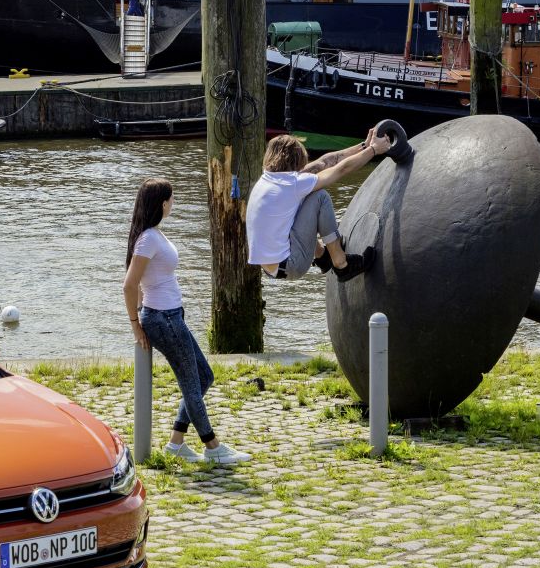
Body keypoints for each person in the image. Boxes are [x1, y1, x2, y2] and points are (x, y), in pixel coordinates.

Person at [122, 178, 250, 465]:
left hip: (171, 316)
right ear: (162, 203)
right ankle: (212, 446)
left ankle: (177, 442)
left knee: (204, 376)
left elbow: (143, 281)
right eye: (171, 198)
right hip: (163, 319)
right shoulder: (148, 239)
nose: (173, 203)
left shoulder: (152, 235)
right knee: (192, 383)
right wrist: (136, 324)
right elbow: (129, 284)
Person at [246, 129, 391, 283]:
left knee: (304, 199)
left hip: (272, 267)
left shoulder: (270, 179)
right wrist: (374, 150)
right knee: (319, 197)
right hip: (291, 265)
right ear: (297, 159)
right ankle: (341, 264)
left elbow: (324, 162)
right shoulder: (293, 184)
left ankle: (322, 256)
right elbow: (341, 169)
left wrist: (364, 146)